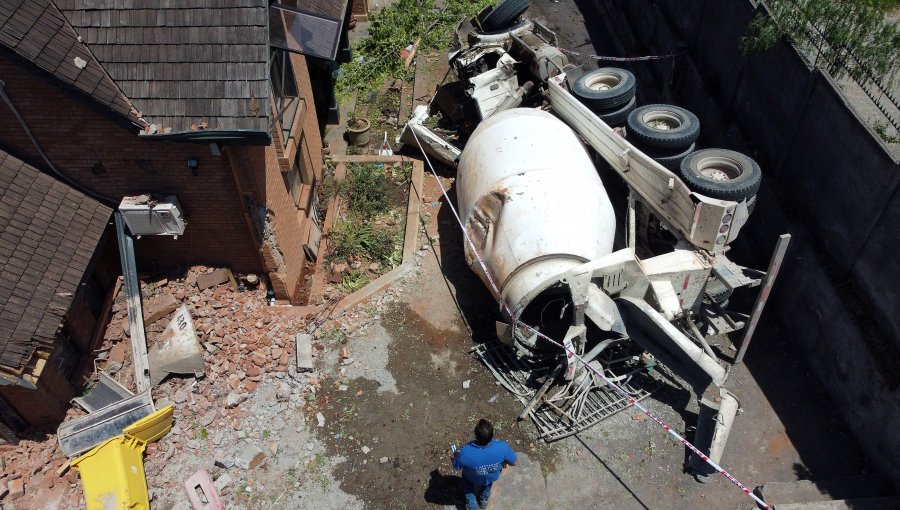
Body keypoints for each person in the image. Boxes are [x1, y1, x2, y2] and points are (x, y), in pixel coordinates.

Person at [452, 418, 517, 510]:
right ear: (492, 435)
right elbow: (515, 462)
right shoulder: (502, 447)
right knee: (487, 487)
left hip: (471, 477)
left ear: (476, 436)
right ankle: (483, 502)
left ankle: (472, 506)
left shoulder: (465, 452)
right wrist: (504, 461)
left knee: (468, 488)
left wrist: (454, 457)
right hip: (490, 477)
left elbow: (456, 466)